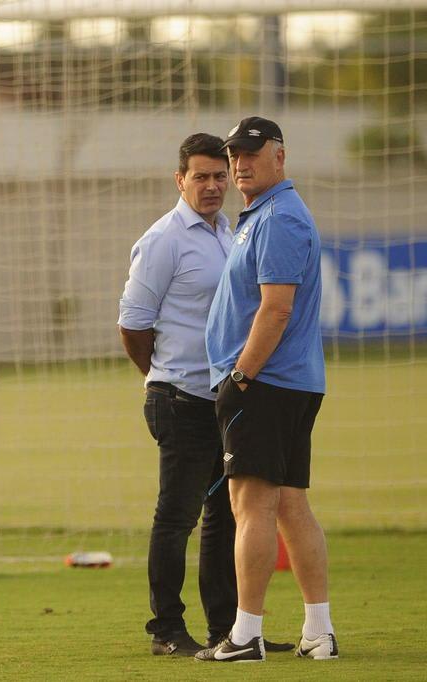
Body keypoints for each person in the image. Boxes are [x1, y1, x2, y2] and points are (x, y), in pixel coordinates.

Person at [118, 133, 293, 657]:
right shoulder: (164, 239)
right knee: (177, 517)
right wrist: (163, 376)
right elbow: (132, 324)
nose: (214, 185)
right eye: (202, 176)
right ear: (180, 180)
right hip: (180, 398)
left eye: (220, 176)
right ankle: (166, 629)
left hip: (225, 399)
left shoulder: (230, 232)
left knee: (227, 516)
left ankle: (228, 630)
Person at [195, 116, 338, 663]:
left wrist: (240, 376)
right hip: (285, 381)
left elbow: (276, 308)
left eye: (251, 153)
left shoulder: (278, 217)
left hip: (266, 382)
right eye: (235, 154)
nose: (239, 163)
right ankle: (318, 633)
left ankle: (246, 633)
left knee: (250, 504)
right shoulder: (262, 215)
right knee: (289, 506)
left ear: (280, 155)